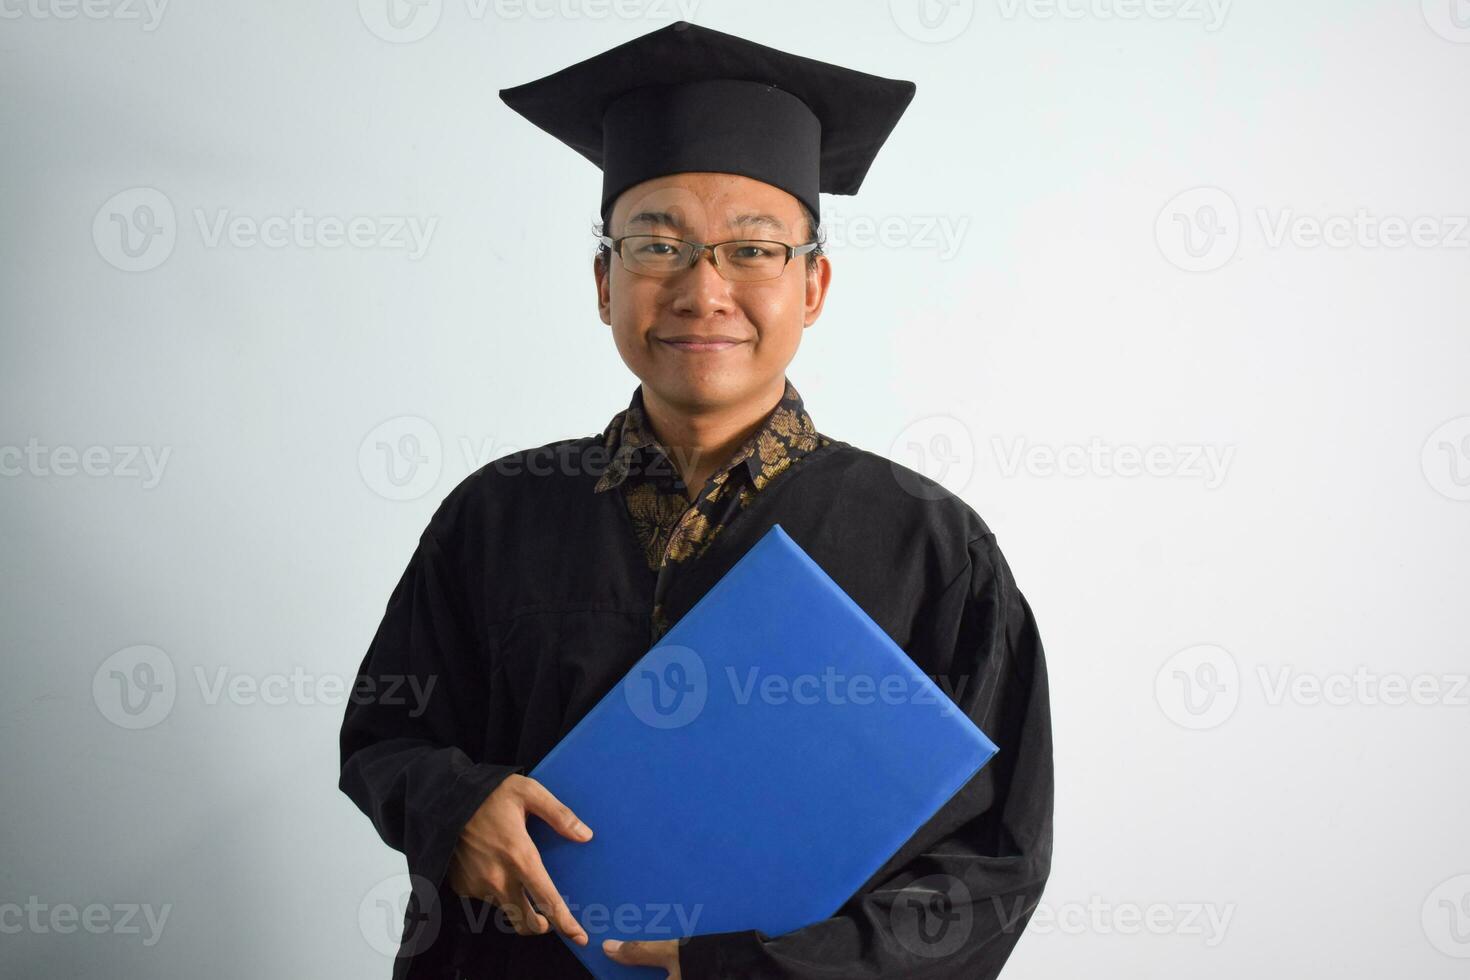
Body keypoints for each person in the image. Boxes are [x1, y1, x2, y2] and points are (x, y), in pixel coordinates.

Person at [339, 20, 1053, 980]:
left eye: (752, 251)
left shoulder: (930, 547)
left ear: (814, 286)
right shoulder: (498, 513)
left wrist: (762, 968)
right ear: (605, 281)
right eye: (657, 245)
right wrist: (452, 803)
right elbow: (388, 734)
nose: (702, 290)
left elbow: (991, 866)